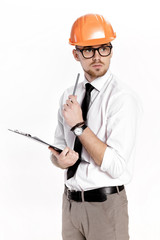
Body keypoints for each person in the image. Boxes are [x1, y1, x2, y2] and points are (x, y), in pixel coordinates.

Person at [49, 13, 142, 240]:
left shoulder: (122, 98)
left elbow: (117, 166)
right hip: (70, 205)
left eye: (104, 48)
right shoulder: (69, 95)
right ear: (76, 54)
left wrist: (79, 126)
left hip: (106, 207)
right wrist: (59, 160)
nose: (97, 57)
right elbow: (57, 148)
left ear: (111, 49)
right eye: (88, 50)